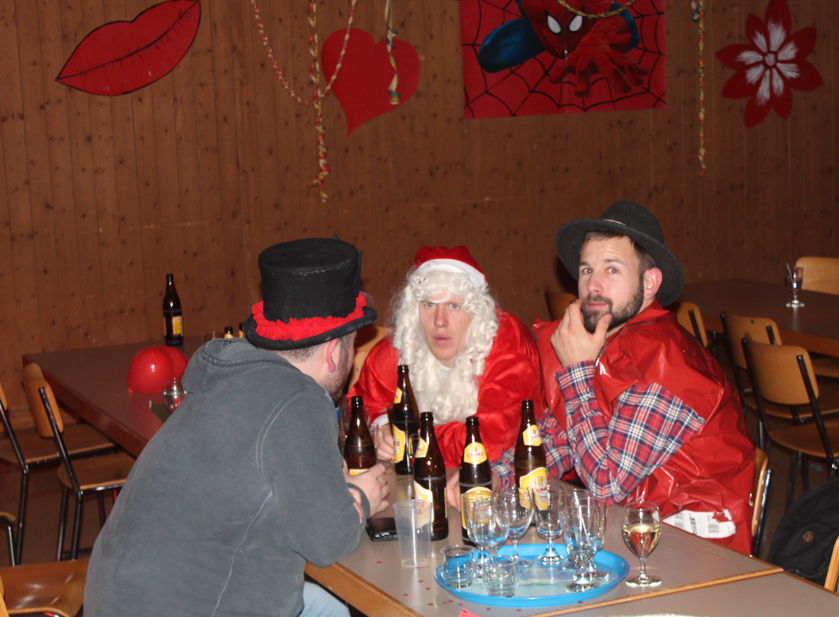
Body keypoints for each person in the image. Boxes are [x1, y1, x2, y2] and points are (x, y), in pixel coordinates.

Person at [85, 238, 390, 617]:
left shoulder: (229, 378)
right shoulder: (298, 399)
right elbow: (327, 541)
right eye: (352, 344)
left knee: (327, 608)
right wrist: (361, 496)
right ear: (333, 353)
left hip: (118, 599)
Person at [495, 201, 755, 554]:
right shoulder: (607, 343)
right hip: (632, 533)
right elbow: (559, 440)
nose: (593, 285)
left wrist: (576, 372)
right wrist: (493, 478)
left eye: (612, 270)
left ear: (649, 283)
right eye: (586, 270)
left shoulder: (669, 363)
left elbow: (604, 485)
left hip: (695, 551)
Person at [349, 246, 542, 465]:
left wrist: (410, 442)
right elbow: (361, 406)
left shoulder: (506, 342)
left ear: (477, 311)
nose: (440, 321)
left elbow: (491, 442)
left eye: (454, 305)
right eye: (429, 304)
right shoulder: (406, 343)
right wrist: (381, 428)